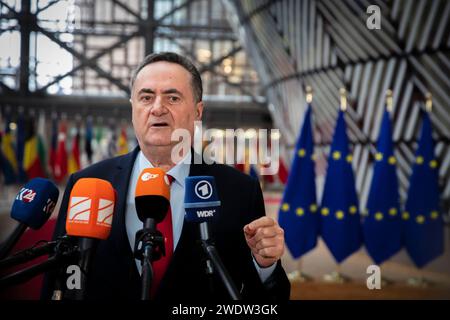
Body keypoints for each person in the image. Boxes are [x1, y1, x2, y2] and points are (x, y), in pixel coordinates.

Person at [42, 52, 290, 301]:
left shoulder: (239, 191)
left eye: (173, 97)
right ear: (133, 108)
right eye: (146, 97)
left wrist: (265, 267)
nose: (157, 108)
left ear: (197, 111)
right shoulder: (87, 185)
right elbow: (62, 279)